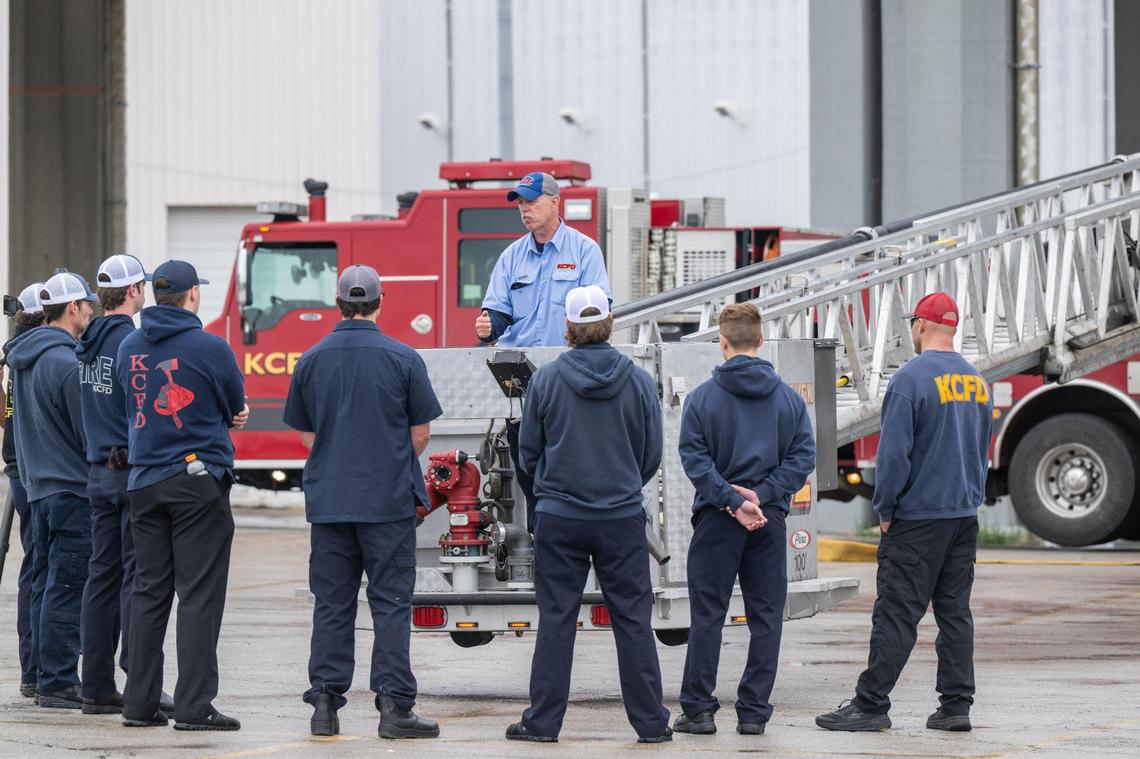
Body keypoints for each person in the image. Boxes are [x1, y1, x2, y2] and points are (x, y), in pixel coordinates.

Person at [816, 292, 992, 733]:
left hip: (917, 518)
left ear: (919, 326)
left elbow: (894, 455)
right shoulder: (977, 381)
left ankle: (871, 704)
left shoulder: (911, 379)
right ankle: (955, 706)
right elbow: (980, 448)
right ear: (952, 329)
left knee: (896, 611)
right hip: (962, 515)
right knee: (955, 613)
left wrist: (886, 507)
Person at [506, 284, 671, 744]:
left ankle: (542, 724)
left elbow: (529, 452)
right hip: (620, 518)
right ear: (610, 324)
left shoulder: (547, 380)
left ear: (569, 328)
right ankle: (652, 724)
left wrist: (553, 491)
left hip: (560, 517)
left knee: (557, 619)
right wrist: (619, 484)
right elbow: (651, 454)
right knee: (633, 620)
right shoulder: (638, 381)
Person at [284, 264, 442, 740]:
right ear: (380, 301)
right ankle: (394, 709)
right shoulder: (404, 358)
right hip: (387, 502)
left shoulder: (310, 359)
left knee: (331, 604)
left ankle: (325, 706)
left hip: (330, 501)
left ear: (338, 303)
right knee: (391, 603)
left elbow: (310, 436)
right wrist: (387, 462)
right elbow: (421, 434)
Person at [115, 260, 248, 730]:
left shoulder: (129, 345)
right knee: (198, 595)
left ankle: (139, 704)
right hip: (196, 481)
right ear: (193, 295)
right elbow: (235, 405)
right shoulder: (211, 347)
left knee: (149, 593)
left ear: (155, 295)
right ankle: (193, 707)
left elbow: (124, 408)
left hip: (144, 483)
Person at [673, 303, 815, 737]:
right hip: (768, 519)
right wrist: (765, 494)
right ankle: (753, 712)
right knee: (766, 615)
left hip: (718, 518)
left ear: (722, 342)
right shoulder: (789, 398)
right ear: (760, 339)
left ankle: (698, 710)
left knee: (708, 615)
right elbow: (803, 456)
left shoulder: (701, 399)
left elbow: (694, 459)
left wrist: (731, 499)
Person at [474, 171, 613, 531]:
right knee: (531, 476)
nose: (524, 209)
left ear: (555, 202)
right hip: (523, 388)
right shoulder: (511, 257)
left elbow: (598, 312)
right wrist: (490, 327)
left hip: (572, 381)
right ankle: (543, 543)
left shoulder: (584, 251)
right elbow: (499, 314)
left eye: (531, 201)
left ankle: (571, 545)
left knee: (576, 471)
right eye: (520, 202)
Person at [76, 254, 171, 715]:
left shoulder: (87, 340)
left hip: (96, 469)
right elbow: (144, 404)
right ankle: (141, 681)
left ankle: (94, 683)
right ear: (134, 291)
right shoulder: (129, 341)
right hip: (127, 469)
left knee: (101, 578)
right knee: (141, 578)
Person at [6, 271, 97, 708]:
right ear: (72, 308)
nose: (91, 312)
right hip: (69, 488)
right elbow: (87, 433)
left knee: (43, 582)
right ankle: (59, 681)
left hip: (39, 486)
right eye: (87, 305)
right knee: (66, 584)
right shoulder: (64, 362)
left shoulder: (26, 358)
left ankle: (42, 675)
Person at [2, 282, 45, 699]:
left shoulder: (15, 355)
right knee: (43, 571)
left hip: (19, 466)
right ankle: (40, 669)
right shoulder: (39, 356)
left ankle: (33, 669)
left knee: (34, 570)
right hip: (35, 471)